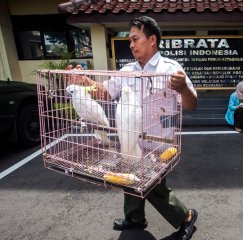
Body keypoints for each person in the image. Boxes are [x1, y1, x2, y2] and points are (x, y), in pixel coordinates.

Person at [67, 16, 198, 240]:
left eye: (135, 39)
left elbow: (191, 104)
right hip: (132, 141)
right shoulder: (127, 70)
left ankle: (186, 217)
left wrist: (184, 88)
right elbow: (105, 92)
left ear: (152, 40)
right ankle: (135, 218)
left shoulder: (171, 69)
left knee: (152, 185)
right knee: (130, 178)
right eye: (129, 40)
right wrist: (85, 82)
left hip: (160, 144)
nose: (131, 44)